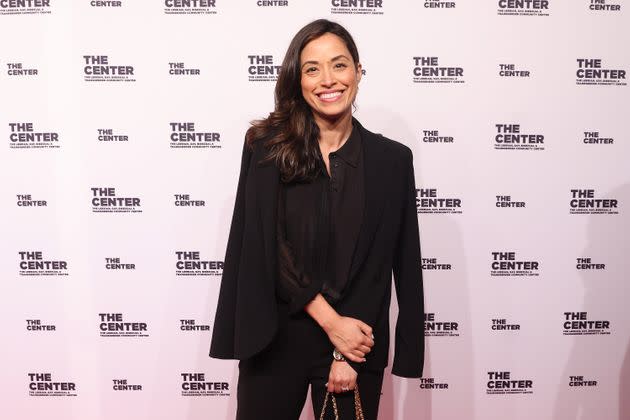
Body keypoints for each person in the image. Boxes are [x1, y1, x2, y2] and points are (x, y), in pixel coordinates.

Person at [209, 19, 425, 420]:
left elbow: (392, 264)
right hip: (275, 336)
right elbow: (264, 247)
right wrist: (330, 322)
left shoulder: (393, 161)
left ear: (359, 71)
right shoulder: (266, 149)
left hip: (355, 342)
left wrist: (347, 349)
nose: (328, 80)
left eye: (339, 65)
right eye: (312, 69)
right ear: (298, 79)